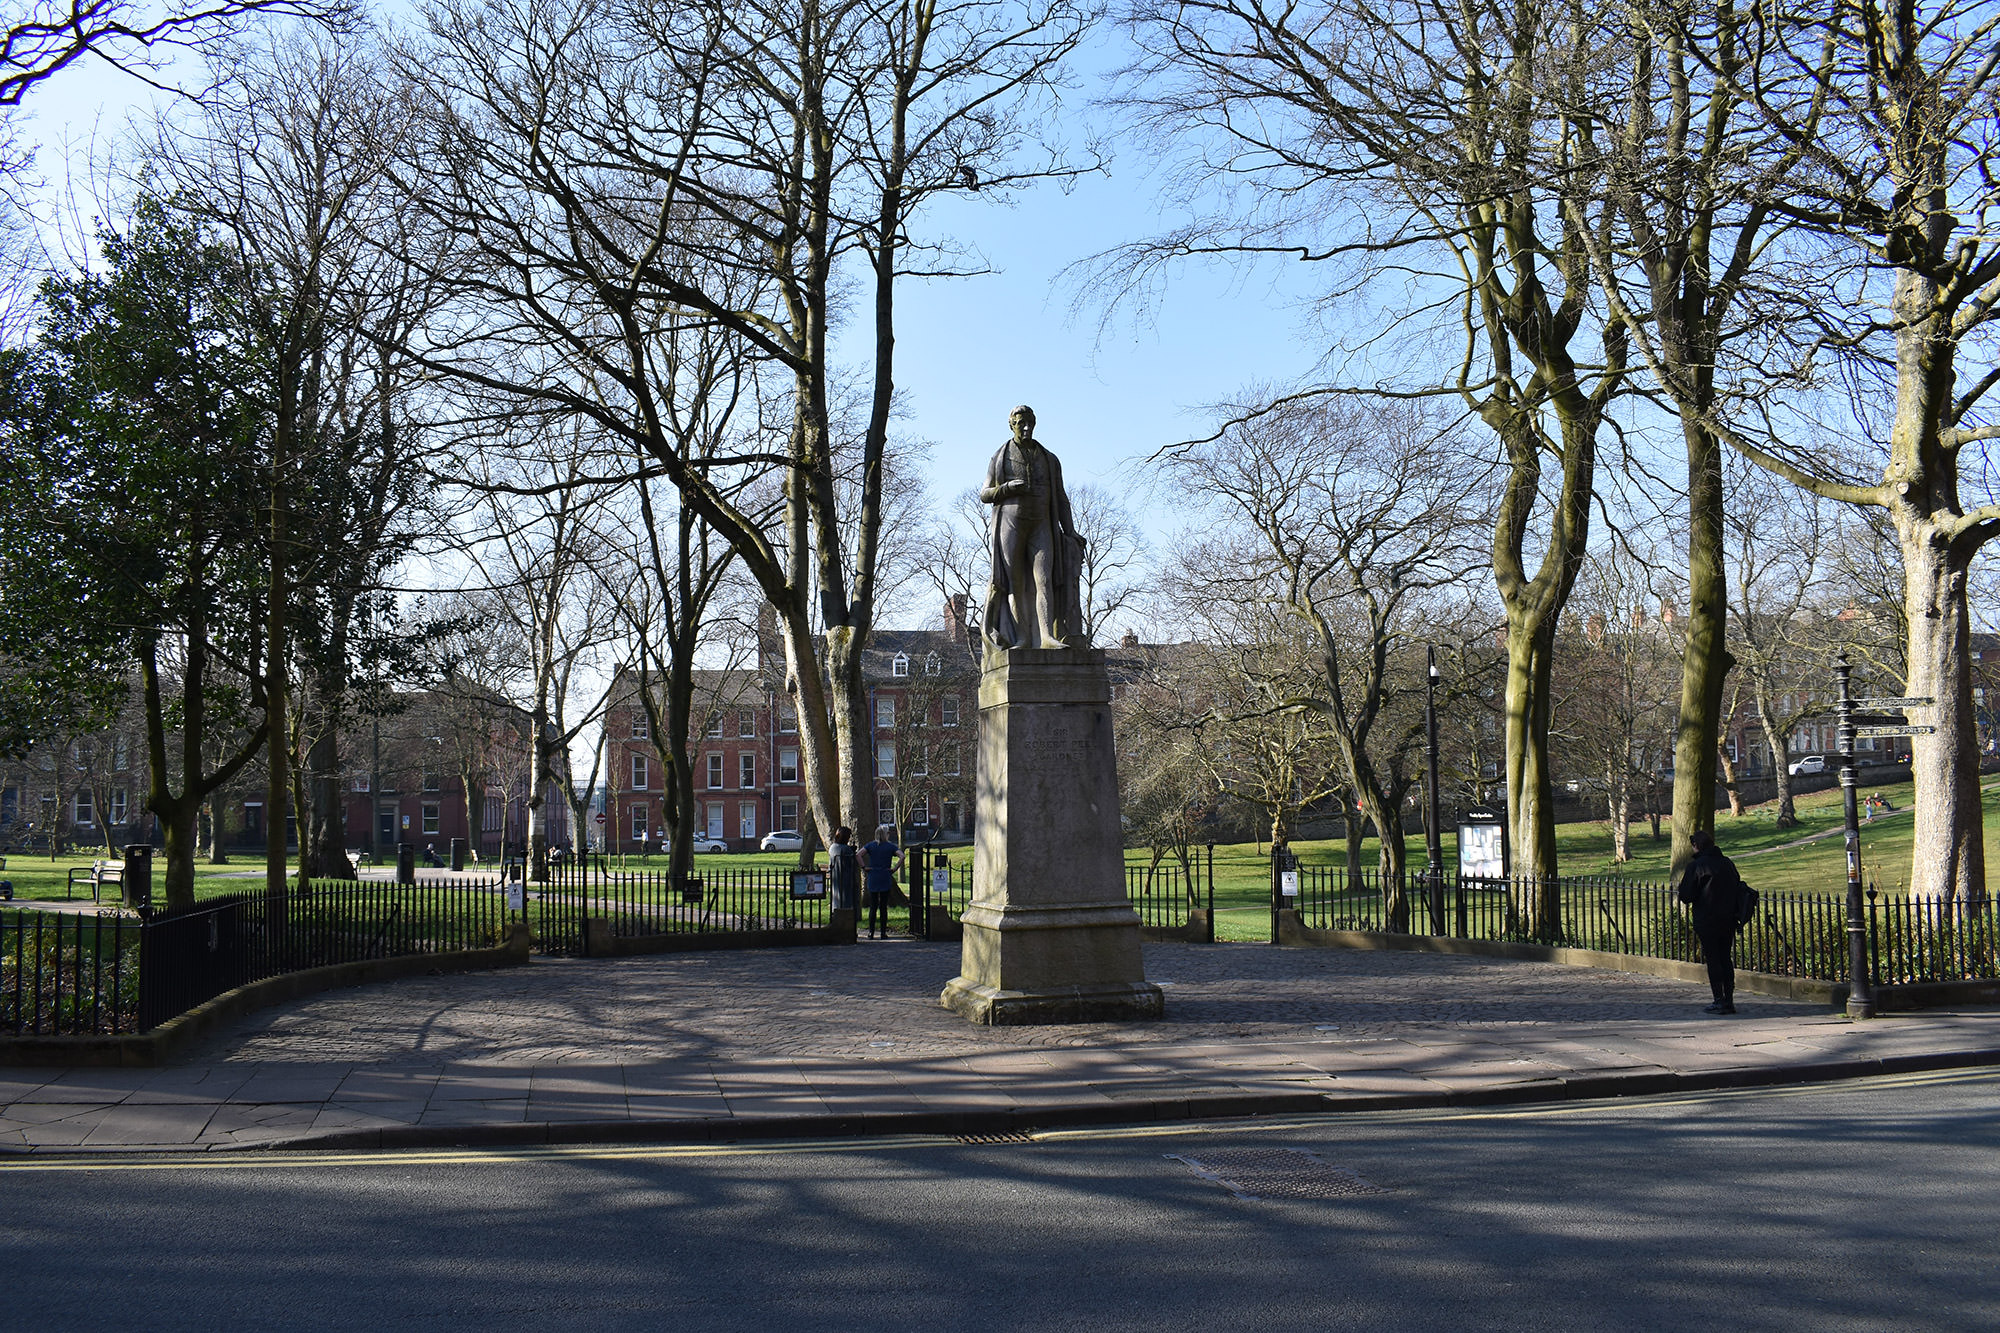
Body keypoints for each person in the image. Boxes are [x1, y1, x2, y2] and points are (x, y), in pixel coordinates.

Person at [980, 405, 1087, 651]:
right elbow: (985, 494)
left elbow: (1061, 498)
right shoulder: (1000, 456)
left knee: (1044, 578)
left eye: (1030, 423)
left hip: (1041, 523)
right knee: (1015, 582)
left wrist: (1070, 532)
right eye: (1020, 423)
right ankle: (1023, 638)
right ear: (1011, 425)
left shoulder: (1049, 459)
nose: (1026, 427)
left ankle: (1047, 636)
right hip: (1011, 524)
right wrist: (1006, 489)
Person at [1676, 829, 1747, 1015]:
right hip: (1728, 918)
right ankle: (1729, 999)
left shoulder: (1697, 866)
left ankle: (1718, 999)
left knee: (1713, 959)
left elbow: (1686, 895)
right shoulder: (1727, 863)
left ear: (1696, 846)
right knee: (1725, 958)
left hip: (1707, 919)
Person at [859, 825, 901, 939]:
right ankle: (883, 933)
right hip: (885, 875)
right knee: (883, 907)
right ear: (885, 835)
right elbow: (902, 856)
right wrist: (894, 868)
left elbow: (858, 854)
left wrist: (864, 867)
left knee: (873, 907)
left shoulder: (871, 845)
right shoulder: (890, 846)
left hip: (873, 876)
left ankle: (871, 932)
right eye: (888, 833)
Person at [826, 825, 860, 917]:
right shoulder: (845, 849)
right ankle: (848, 915)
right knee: (846, 898)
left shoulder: (833, 847)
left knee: (837, 898)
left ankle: (835, 913)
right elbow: (853, 863)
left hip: (836, 878)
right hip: (846, 878)